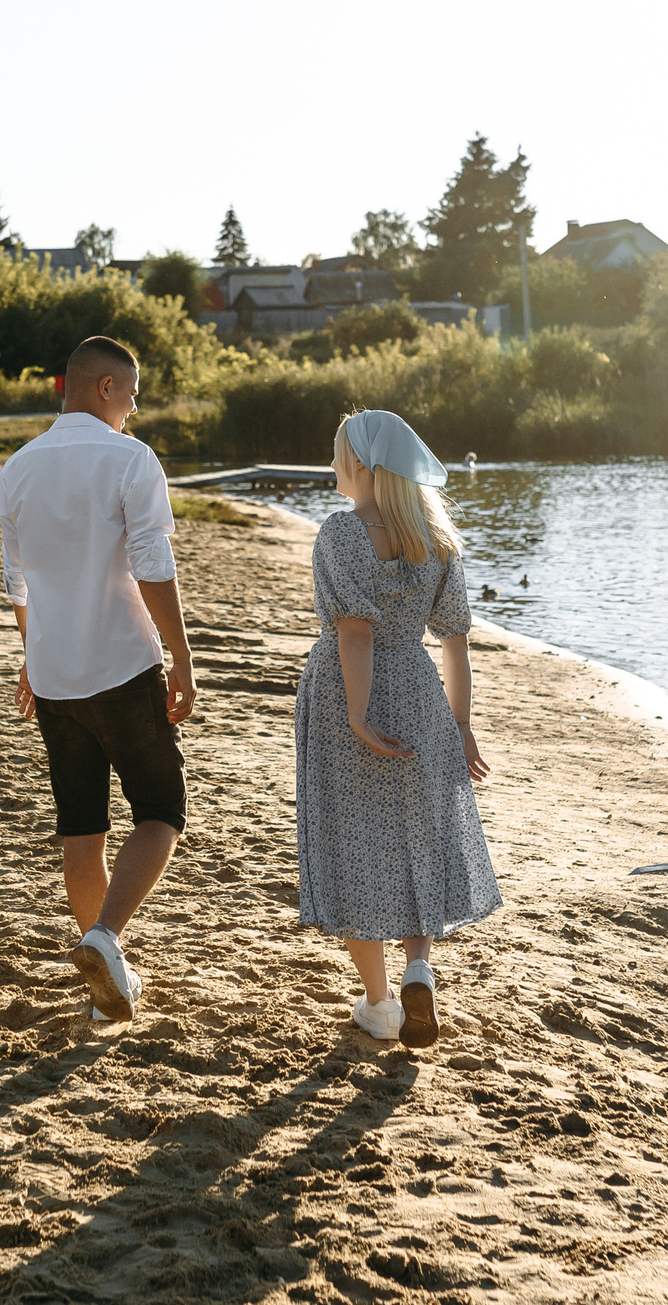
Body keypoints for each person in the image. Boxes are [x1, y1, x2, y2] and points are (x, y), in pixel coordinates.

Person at [0, 335, 197, 1024]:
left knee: (81, 829)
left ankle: (105, 981)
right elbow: (151, 563)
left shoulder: (18, 467)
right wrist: (182, 654)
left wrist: (32, 653)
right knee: (161, 809)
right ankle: (104, 938)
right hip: (120, 664)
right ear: (105, 387)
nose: (135, 411)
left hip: (54, 675)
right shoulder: (131, 459)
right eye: (133, 396)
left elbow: (14, 578)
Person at [296, 409, 501, 1046]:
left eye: (336, 455)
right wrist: (460, 726)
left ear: (359, 464)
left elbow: (354, 632)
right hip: (419, 691)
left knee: (353, 844)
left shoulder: (340, 533)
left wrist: (358, 714)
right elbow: (457, 641)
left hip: (343, 696)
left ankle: (381, 1003)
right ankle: (420, 969)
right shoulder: (437, 541)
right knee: (419, 838)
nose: (332, 466)